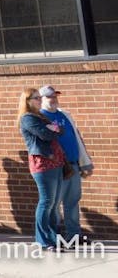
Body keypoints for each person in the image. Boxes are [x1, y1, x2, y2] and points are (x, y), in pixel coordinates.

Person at [38, 85, 94, 245]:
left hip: (73, 165)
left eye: (55, 96)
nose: (54, 99)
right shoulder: (40, 117)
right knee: (54, 204)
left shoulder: (65, 115)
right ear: (41, 99)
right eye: (50, 97)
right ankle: (54, 237)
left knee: (72, 201)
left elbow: (77, 138)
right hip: (56, 167)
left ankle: (73, 236)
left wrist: (85, 162)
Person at [19, 87, 64, 251]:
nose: (40, 100)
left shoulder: (41, 116)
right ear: (28, 101)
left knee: (54, 203)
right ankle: (43, 240)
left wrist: (53, 129)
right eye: (36, 98)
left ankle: (53, 238)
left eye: (39, 98)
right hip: (43, 164)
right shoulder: (27, 118)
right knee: (46, 202)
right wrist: (53, 129)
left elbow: (60, 129)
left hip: (56, 162)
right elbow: (46, 134)